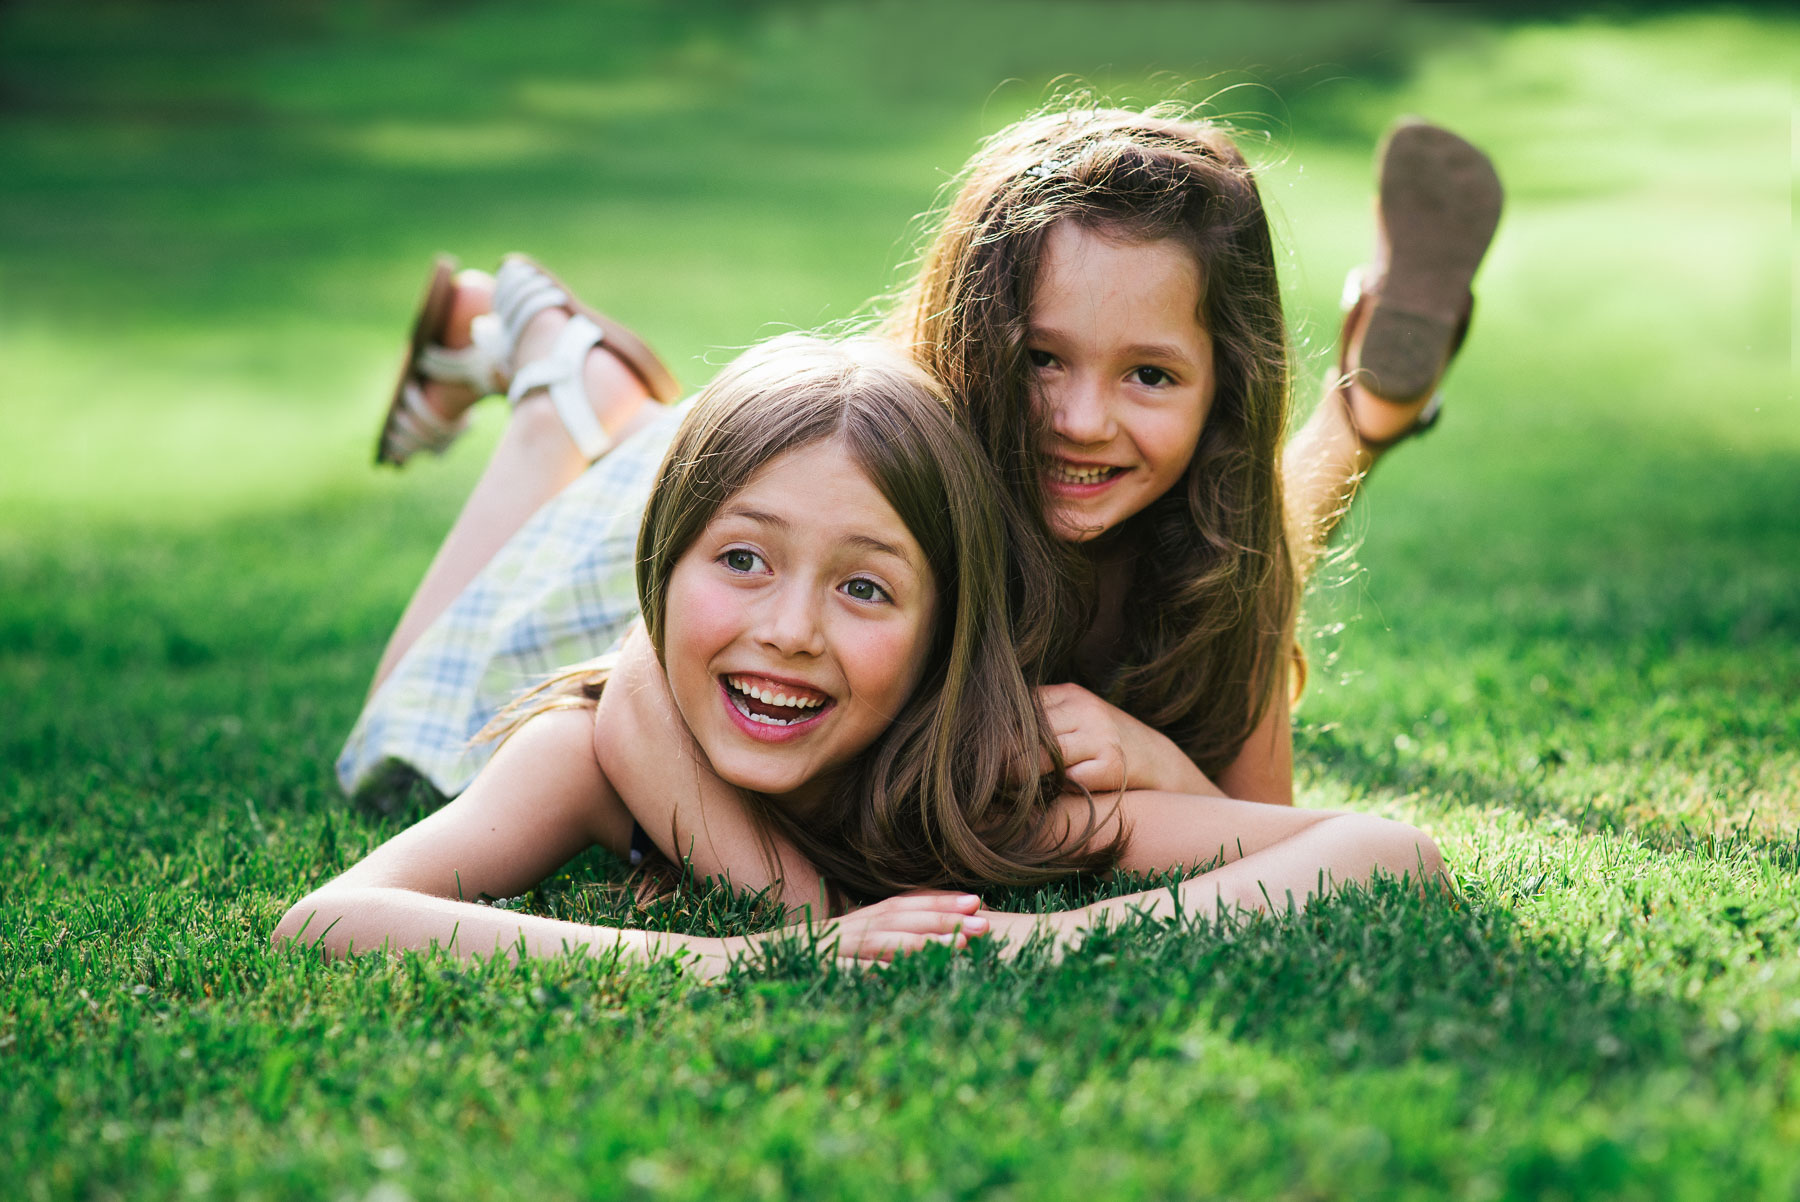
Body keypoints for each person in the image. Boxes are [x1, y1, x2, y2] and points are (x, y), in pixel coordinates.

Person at [342, 105, 1492, 921]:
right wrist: (802, 921)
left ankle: (1368, 410)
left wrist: (1154, 764)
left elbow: (1265, 829)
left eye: (1150, 376)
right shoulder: (903, 461)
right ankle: (551, 371)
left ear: (1219, 391)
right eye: (1043, 358)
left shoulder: (1203, 553)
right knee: (410, 711)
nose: (1083, 419)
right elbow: (641, 681)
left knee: (1225, 552)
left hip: (778, 603)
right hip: (664, 566)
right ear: (978, 337)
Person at [277, 334, 1119, 976]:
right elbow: (328, 918)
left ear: (944, 630)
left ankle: (597, 396)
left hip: (698, 607)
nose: (793, 631)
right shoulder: (573, 755)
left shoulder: (962, 777)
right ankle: (554, 390)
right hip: (483, 678)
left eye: (865, 588)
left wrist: (1032, 935)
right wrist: (738, 959)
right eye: (742, 560)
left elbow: (1258, 856)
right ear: (658, 569)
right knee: (402, 713)